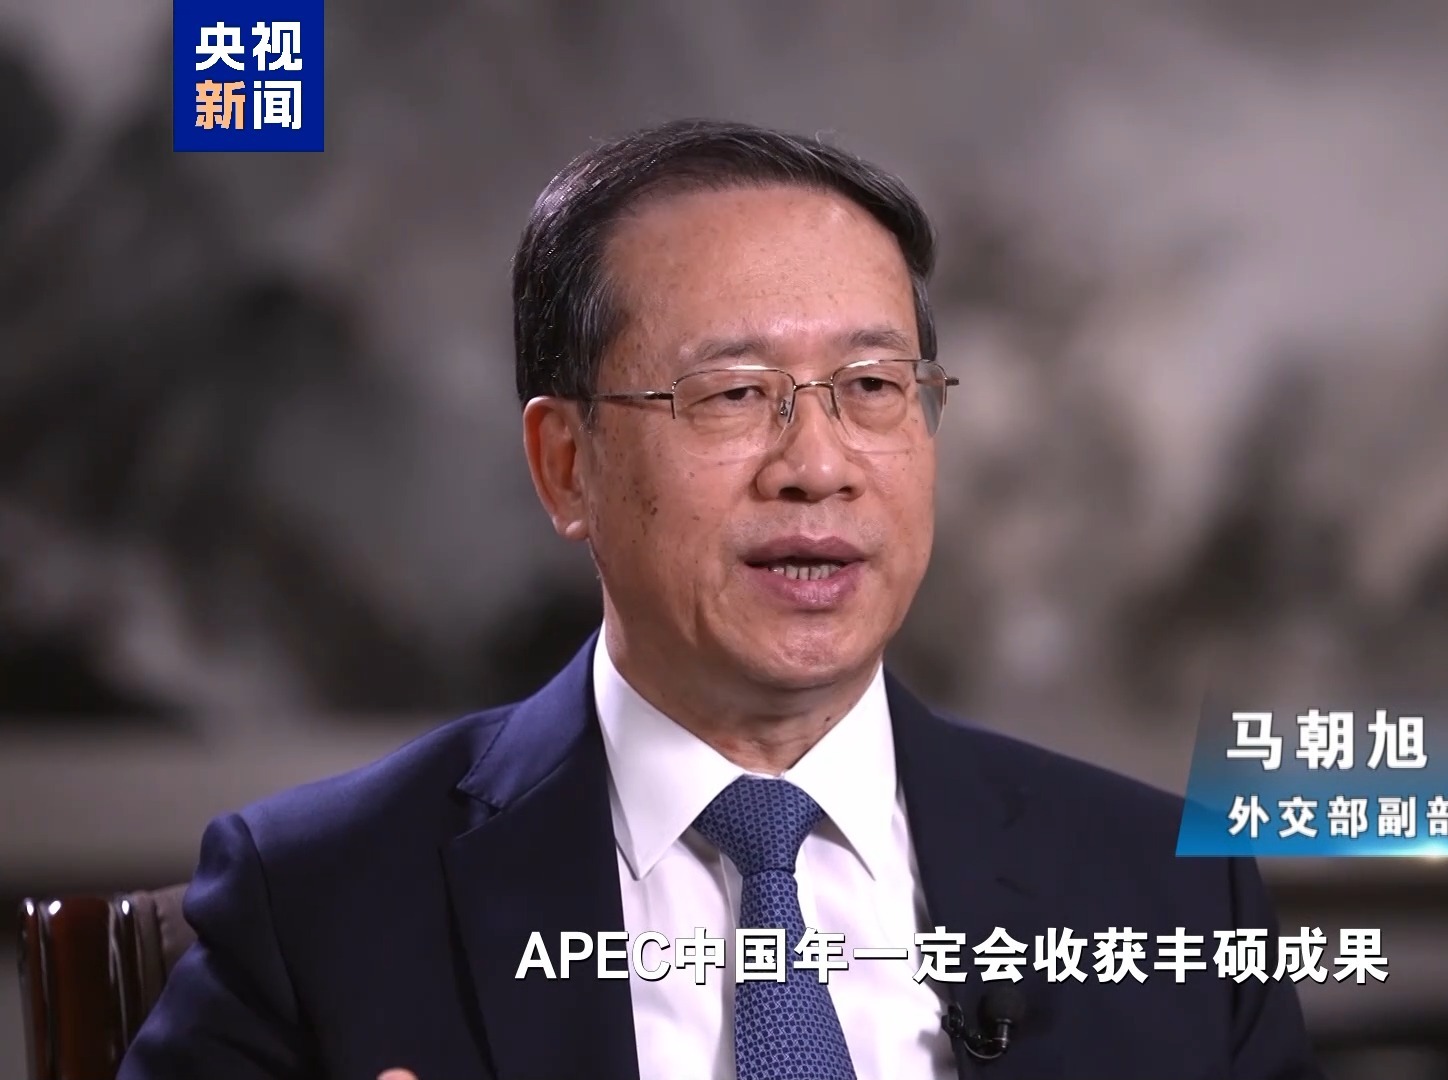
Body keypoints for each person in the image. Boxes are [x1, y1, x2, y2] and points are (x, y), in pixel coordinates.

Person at [120, 119, 1321, 1080]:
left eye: (872, 386)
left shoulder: (1171, 892)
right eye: (735, 394)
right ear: (566, 466)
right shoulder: (319, 901)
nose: (818, 464)